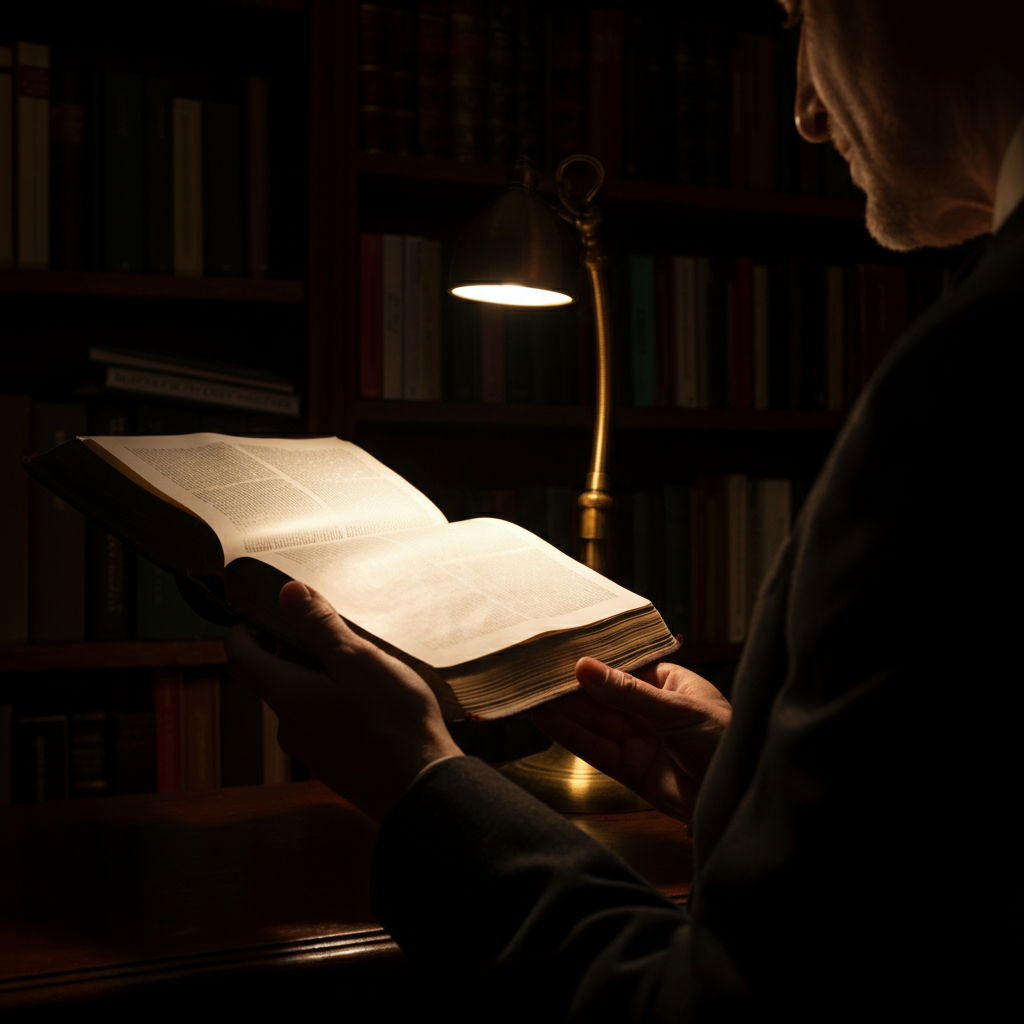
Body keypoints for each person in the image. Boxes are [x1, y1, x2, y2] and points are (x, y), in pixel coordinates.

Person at [226, 1, 1023, 1018]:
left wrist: (423, 783)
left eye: (797, 16)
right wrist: (745, 789)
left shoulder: (970, 383)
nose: (806, 115)